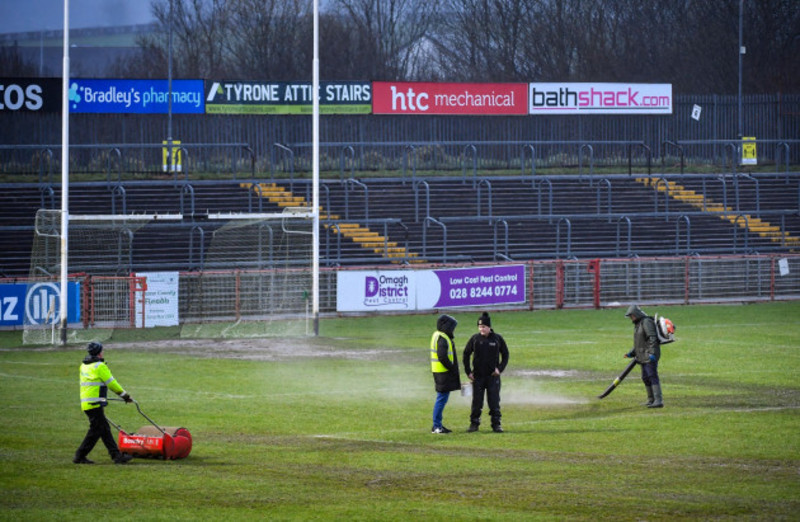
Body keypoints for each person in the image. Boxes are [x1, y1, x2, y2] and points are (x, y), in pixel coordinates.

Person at [74, 342, 134, 464]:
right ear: (99, 352)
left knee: (103, 429)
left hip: (87, 402)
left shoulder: (84, 365)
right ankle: (80, 455)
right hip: (94, 403)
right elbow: (112, 383)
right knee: (97, 430)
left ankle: (116, 456)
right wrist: (125, 396)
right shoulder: (99, 366)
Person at [463, 312, 509, 433]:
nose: (481, 329)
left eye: (483, 327)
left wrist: (499, 369)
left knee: (494, 402)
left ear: (489, 327)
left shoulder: (497, 339)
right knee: (477, 402)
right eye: (479, 327)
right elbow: (466, 354)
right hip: (478, 377)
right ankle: (474, 424)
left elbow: (505, 355)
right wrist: (468, 372)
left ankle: (496, 424)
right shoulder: (475, 339)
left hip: (492, 377)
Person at [624, 305, 664, 408]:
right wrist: (630, 353)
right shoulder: (638, 324)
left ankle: (658, 400)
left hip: (649, 355)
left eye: (631, 316)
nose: (631, 318)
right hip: (642, 356)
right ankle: (651, 399)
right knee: (645, 377)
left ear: (636, 314)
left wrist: (652, 353)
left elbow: (652, 338)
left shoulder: (646, 322)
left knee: (652, 376)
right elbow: (639, 343)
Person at [430, 314, 460, 434]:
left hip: (439, 372)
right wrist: (451, 368)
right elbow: (442, 356)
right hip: (443, 373)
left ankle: (437, 425)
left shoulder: (437, 335)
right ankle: (437, 426)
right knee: (441, 399)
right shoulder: (442, 338)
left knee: (441, 398)